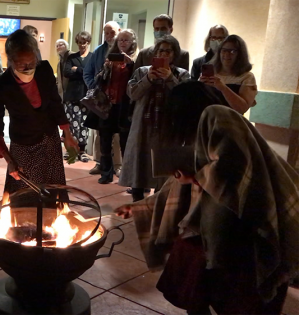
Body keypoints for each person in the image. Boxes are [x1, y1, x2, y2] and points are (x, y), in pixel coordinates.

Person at [116, 82, 298, 315]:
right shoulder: (204, 131)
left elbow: (231, 166)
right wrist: (140, 207)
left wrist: (194, 176)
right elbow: (177, 187)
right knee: (193, 273)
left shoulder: (217, 114)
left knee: (234, 291)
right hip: (227, 225)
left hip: (246, 224)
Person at [0, 30, 78, 194]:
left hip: (49, 139)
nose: (29, 68)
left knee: (53, 192)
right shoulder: (2, 85)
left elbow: (55, 103)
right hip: (22, 145)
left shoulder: (44, 70)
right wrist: (9, 159)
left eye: (32, 62)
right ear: (12, 60)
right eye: (22, 64)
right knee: (24, 195)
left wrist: (67, 134)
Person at [119, 35, 190, 202]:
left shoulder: (181, 74)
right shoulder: (142, 71)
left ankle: (158, 209)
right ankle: (137, 205)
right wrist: (148, 79)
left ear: (175, 54)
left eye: (168, 51)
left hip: (168, 128)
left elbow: (186, 98)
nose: (164, 54)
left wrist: (170, 79)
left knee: (164, 171)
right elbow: (133, 94)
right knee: (139, 168)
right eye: (160, 50)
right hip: (143, 127)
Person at [86, 29, 139, 184]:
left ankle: (126, 174)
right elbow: (99, 80)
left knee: (125, 141)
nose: (122, 43)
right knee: (105, 140)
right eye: (120, 40)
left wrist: (131, 65)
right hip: (108, 104)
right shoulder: (109, 55)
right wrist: (106, 68)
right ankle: (106, 173)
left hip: (124, 105)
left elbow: (137, 80)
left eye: (126, 40)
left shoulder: (136, 59)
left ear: (132, 42)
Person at [83, 21, 121, 175]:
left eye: (112, 32)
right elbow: (87, 73)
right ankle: (100, 163)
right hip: (101, 100)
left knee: (117, 134)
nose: (109, 36)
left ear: (119, 31)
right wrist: (95, 88)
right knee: (100, 133)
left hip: (118, 100)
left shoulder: (126, 50)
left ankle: (118, 165)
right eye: (106, 32)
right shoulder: (98, 51)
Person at [199, 34, 257, 114]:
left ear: (240, 54)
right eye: (224, 50)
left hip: (230, 123)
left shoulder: (247, 77)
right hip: (207, 120)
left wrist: (223, 88)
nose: (227, 54)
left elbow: (242, 109)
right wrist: (200, 86)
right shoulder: (211, 73)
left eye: (232, 51)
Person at [63, 31, 93, 162]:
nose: (82, 45)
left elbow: (92, 72)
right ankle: (71, 151)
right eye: (80, 43)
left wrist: (78, 70)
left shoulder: (92, 57)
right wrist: (81, 71)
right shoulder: (71, 57)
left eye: (84, 43)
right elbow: (67, 72)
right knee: (72, 124)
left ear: (88, 43)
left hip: (86, 96)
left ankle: (82, 150)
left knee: (83, 124)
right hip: (72, 95)